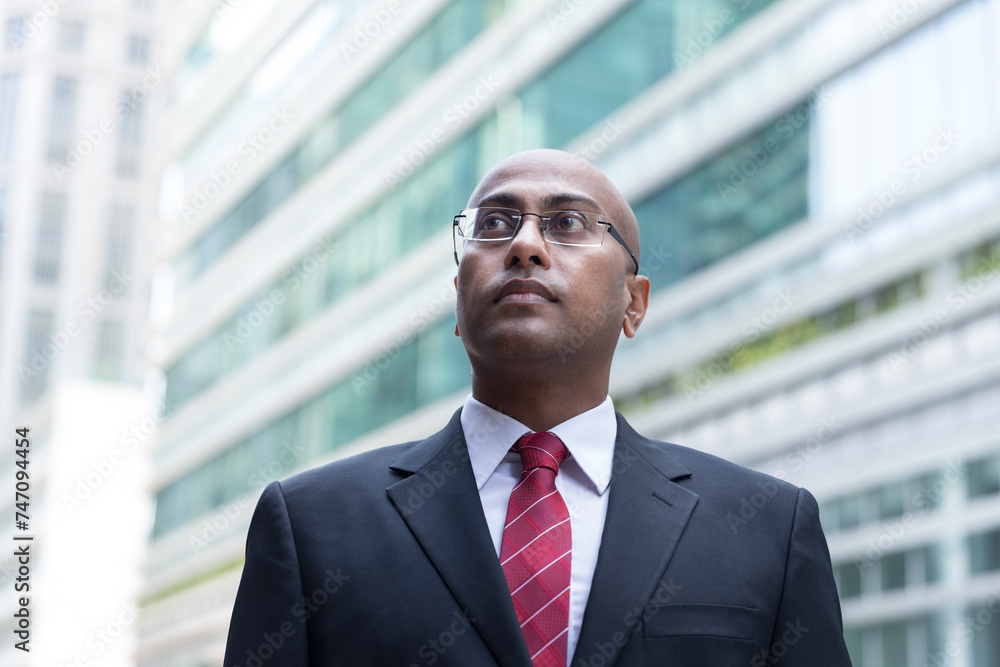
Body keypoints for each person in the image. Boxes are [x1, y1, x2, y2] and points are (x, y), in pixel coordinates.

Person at [223, 149, 852, 666]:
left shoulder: (767, 527)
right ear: (458, 297)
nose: (525, 245)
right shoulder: (311, 526)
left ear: (635, 303)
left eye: (569, 224)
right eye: (494, 225)